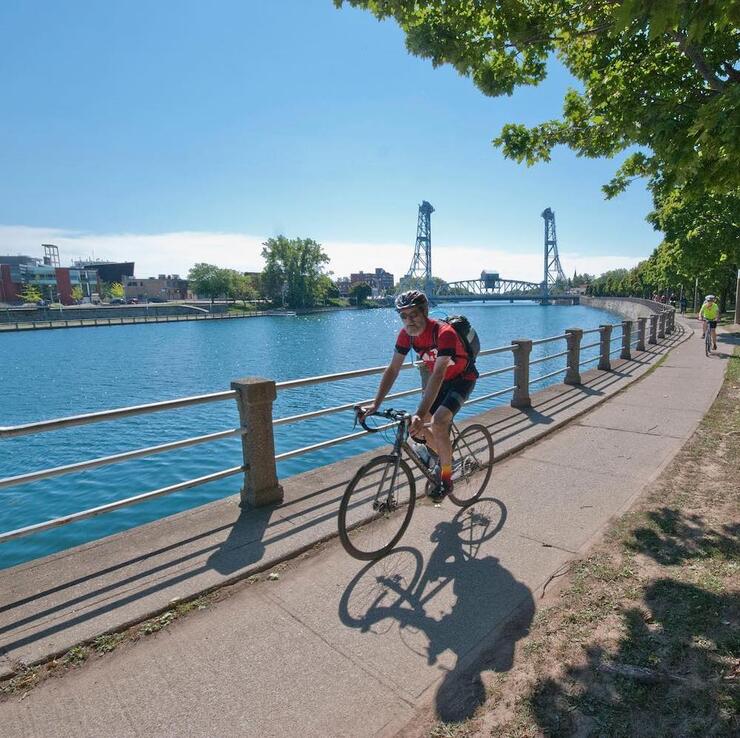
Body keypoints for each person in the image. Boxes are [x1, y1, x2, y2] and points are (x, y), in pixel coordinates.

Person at [359, 290, 478, 501]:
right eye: (403, 316)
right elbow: (393, 369)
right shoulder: (406, 335)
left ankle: (447, 478)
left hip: (462, 379)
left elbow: (440, 371)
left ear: (424, 312)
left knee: (439, 421)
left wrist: (421, 412)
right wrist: (375, 404)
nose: (408, 320)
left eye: (413, 314)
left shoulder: (444, 333)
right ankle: (445, 458)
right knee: (418, 430)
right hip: (440, 381)